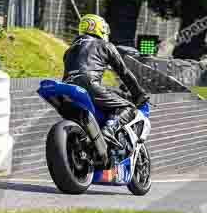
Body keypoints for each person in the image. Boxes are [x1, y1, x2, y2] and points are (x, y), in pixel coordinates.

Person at [62, 14, 150, 146]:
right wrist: (139, 95)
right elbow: (124, 73)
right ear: (100, 28)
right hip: (90, 86)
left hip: (67, 89)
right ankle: (109, 130)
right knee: (128, 108)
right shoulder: (104, 45)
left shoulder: (70, 50)